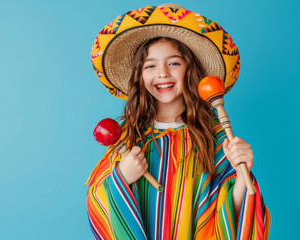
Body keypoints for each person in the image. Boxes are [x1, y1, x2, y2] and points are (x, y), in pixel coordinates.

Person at [85, 3, 271, 240]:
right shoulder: (127, 138)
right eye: (150, 65)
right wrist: (122, 178)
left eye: (174, 63)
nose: (162, 73)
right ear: (140, 76)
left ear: (189, 70)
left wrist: (242, 174)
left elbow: (233, 220)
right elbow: (98, 202)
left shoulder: (216, 139)